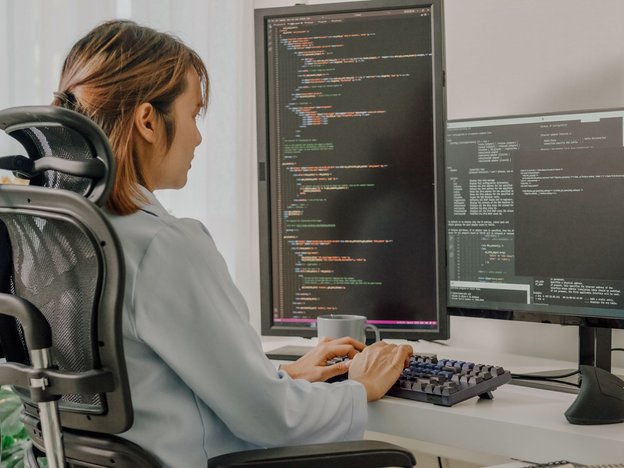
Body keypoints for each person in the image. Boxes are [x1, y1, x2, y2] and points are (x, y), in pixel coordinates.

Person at [52, 20, 413, 467]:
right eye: (193, 114)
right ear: (148, 120)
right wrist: (362, 387)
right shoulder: (164, 244)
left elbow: (147, 383)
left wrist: (277, 374)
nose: (198, 136)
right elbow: (273, 422)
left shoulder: (56, 234)